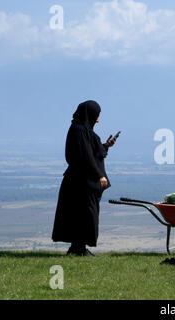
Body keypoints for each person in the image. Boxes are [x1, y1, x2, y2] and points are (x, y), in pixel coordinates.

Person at [52, 100, 117, 256]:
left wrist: (106, 146)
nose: (98, 119)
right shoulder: (79, 130)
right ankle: (79, 249)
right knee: (84, 214)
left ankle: (77, 248)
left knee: (82, 214)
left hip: (82, 181)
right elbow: (86, 157)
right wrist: (99, 175)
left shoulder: (83, 130)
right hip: (80, 181)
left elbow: (91, 151)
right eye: (97, 115)